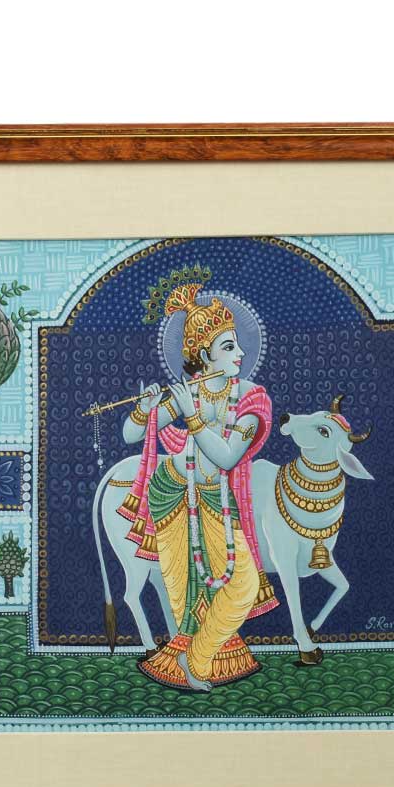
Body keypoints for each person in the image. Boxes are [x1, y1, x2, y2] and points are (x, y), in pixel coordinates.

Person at [119, 280, 278, 690]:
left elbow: (227, 458)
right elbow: (130, 435)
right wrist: (144, 410)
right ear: (204, 355)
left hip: (216, 498)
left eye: (238, 345)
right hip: (171, 492)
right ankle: (193, 661)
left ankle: (196, 659)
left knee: (242, 585)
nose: (240, 354)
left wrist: (191, 416)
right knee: (184, 592)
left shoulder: (252, 398)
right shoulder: (189, 393)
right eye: (228, 347)